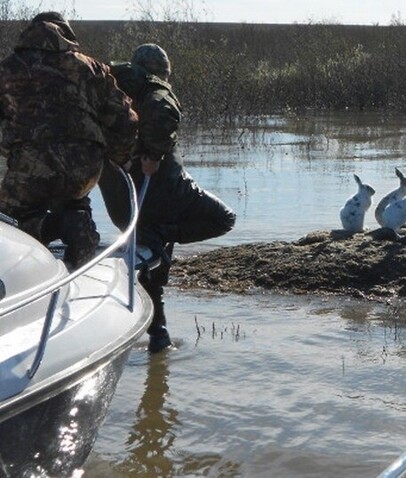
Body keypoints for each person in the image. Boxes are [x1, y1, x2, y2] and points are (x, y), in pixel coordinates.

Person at [99, 44, 236, 354]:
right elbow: (163, 113)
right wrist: (155, 154)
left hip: (123, 203)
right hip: (162, 193)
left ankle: (158, 338)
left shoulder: (108, 88)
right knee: (223, 218)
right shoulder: (155, 91)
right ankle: (160, 237)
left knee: (152, 267)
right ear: (160, 71)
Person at [0, 12, 138, 269]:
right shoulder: (92, 67)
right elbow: (124, 119)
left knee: (10, 222)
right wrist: (120, 157)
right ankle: (77, 232)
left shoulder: (8, 68)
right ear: (67, 35)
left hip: (30, 165)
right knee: (75, 200)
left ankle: (45, 240)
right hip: (84, 164)